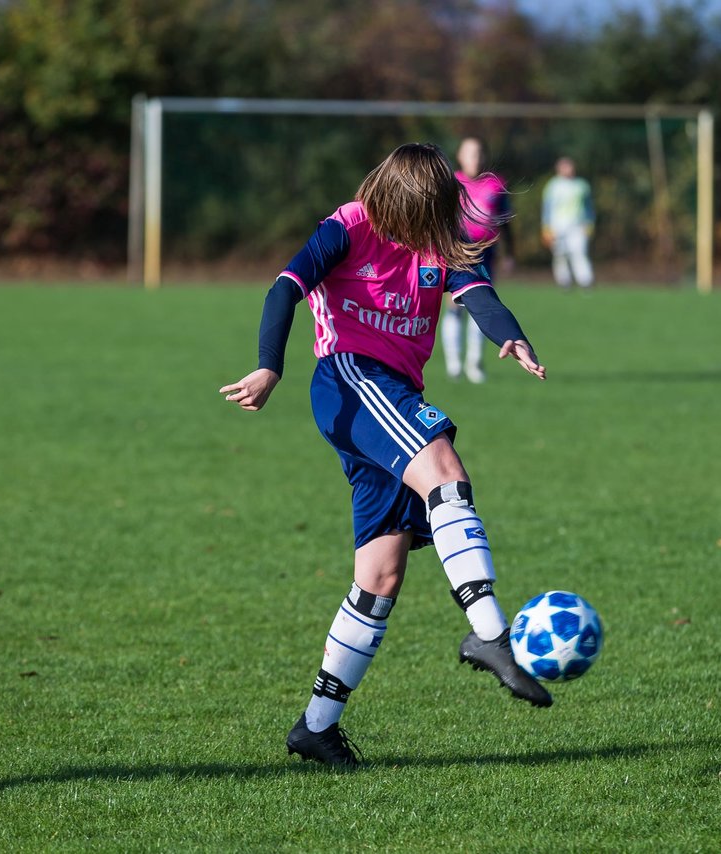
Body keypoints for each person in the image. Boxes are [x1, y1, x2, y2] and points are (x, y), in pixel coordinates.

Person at [219, 142, 552, 770]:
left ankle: (316, 727)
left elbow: (477, 294)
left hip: (392, 394)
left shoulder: (437, 242)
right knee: (446, 473)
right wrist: (270, 367)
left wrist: (510, 335)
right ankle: (492, 638)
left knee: (380, 576)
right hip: (350, 378)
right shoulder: (347, 227)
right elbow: (283, 289)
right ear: (407, 202)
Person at [443, 137, 515, 384]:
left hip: (486, 255)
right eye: (470, 153)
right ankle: (454, 364)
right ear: (460, 156)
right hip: (455, 252)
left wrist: (510, 254)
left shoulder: (495, 185)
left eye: (480, 152)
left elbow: (505, 221)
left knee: (482, 308)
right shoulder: (450, 184)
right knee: (454, 307)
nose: (476, 158)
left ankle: (474, 363)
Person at [541, 156, 594, 289]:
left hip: (577, 225)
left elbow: (588, 207)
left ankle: (585, 281)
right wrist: (546, 228)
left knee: (579, 252)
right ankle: (564, 281)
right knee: (560, 254)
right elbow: (547, 208)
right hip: (557, 226)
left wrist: (590, 223)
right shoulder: (553, 186)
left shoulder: (581, 185)